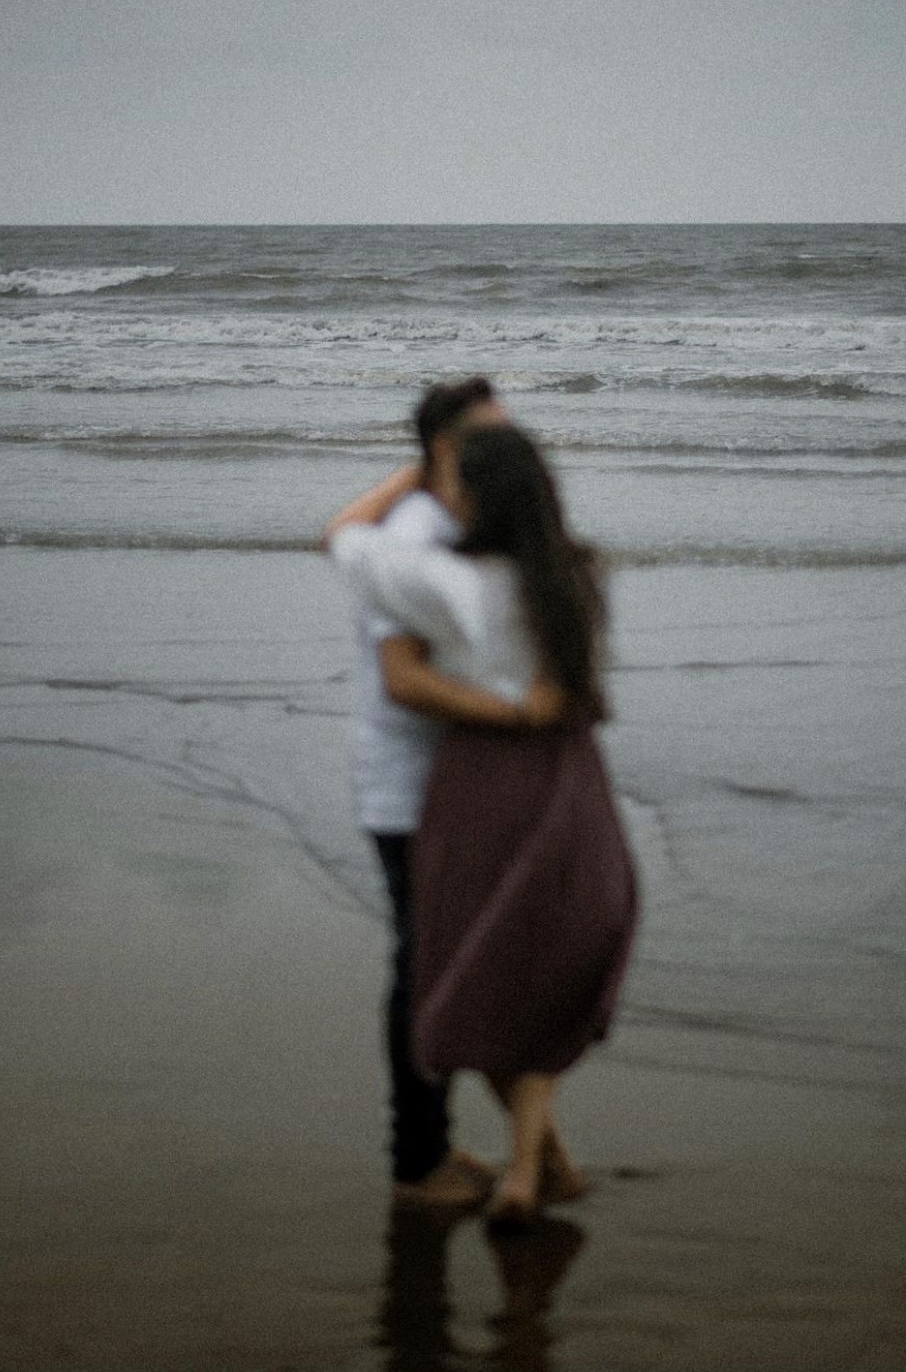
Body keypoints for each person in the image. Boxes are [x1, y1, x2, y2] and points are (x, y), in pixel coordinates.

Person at [326, 423, 637, 1226]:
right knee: (542, 970)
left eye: (456, 481)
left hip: (474, 782)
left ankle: (534, 1170)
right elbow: (577, 681)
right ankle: (533, 1169)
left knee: (481, 965)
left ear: (475, 493)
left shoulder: (438, 579)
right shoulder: (578, 570)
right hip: (566, 776)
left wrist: (411, 468)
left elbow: (341, 539)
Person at [349, 377, 535, 1209]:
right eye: (490, 434)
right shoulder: (414, 537)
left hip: (453, 787)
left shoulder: (455, 522)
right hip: (412, 789)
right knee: (427, 973)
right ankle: (417, 1163)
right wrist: (523, 716)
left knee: (443, 969)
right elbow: (402, 681)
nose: (511, 444)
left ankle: (438, 1148)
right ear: (447, 450)